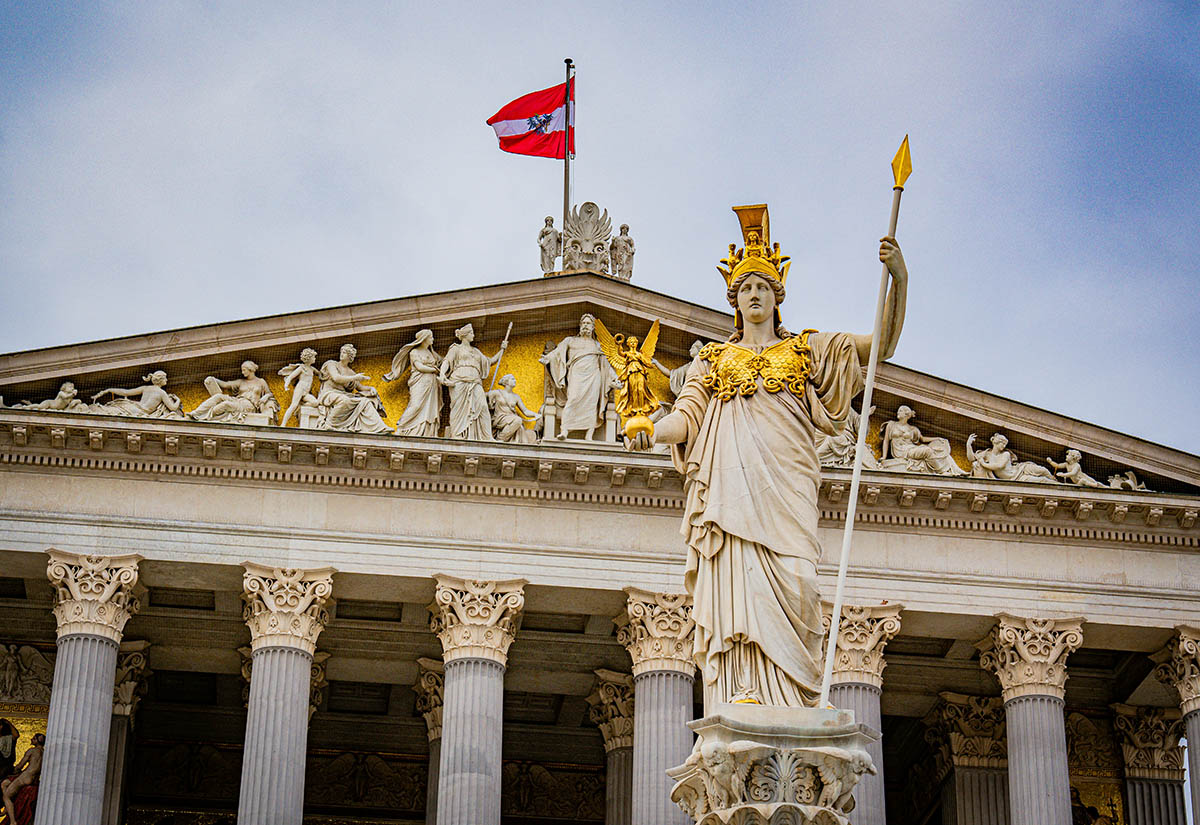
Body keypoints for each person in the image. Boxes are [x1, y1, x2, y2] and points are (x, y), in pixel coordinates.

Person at [629, 209, 908, 708]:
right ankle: (744, 691)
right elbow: (687, 418)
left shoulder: (808, 351)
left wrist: (899, 278)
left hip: (788, 490)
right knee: (739, 591)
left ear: (778, 297)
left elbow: (881, 344)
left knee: (800, 582)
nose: (753, 294)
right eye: (745, 288)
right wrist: (651, 427)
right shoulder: (712, 361)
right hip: (732, 496)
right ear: (734, 302)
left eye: (762, 287)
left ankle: (795, 700)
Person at [539, 314, 618, 440]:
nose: (586, 326)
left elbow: (606, 365)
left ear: (592, 327)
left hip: (594, 376)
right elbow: (557, 353)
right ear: (580, 326)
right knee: (573, 399)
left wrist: (614, 379)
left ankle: (589, 435)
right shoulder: (570, 341)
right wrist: (547, 358)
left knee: (592, 404)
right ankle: (564, 430)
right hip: (576, 375)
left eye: (588, 324)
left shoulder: (598, 345)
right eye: (584, 323)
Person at [439, 324, 505, 441]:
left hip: (475, 381)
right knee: (458, 408)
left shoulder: (476, 351)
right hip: (459, 381)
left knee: (483, 406)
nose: (473, 336)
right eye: (472, 333)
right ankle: (457, 434)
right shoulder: (456, 349)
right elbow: (447, 362)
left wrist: (501, 349)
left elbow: (490, 361)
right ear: (465, 335)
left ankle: (486, 437)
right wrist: (442, 374)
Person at [315, 344, 390, 434]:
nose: (341, 354)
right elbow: (336, 378)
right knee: (344, 400)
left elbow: (361, 388)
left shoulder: (351, 372)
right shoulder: (331, 364)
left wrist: (371, 388)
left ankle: (380, 428)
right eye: (342, 352)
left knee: (365, 402)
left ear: (350, 357)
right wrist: (355, 377)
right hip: (329, 394)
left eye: (345, 353)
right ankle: (329, 424)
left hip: (343, 395)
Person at [384, 330, 443, 437]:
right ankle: (402, 427)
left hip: (432, 383)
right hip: (420, 382)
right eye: (431, 337)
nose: (433, 339)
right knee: (416, 405)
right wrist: (434, 370)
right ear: (424, 339)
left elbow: (444, 361)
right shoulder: (414, 352)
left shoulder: (432, 353)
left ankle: (427, 431)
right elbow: (419, 367)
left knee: (430, 407)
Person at [879, 405, 964, 475]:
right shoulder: (891, 424)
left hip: (910, 449)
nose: (898, 412)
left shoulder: (912, 429)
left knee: (935, 450)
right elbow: (886, 441)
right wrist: (884, 456)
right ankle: (942, 471)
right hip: (901, 452)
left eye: (900, 410)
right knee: (927, 450)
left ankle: (950, 470)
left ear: (906, 414)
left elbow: (922, 439)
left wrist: (937, 438)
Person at [189, 361, 279, 424]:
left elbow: (269, 393)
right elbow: (225, 384)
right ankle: (196, 413)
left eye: (244, 370)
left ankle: (205, 417)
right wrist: (213, 379)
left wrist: (265, 397)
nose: (242, 372)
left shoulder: (261, 381)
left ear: (250, 369)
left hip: (248, 406)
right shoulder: (241, 382)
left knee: (226, 404)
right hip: (237, 401)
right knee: (218, 397)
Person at [89, 371, 185, 419]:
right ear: (161, 380)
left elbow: (126, 392)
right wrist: (178, 400)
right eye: (165, 378)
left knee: (109, 411)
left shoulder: (145, 388)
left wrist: (109, 390)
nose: (167, 380)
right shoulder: (162, 393)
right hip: (141, 413)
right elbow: (172, 408)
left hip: (132, 407)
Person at [967, 433, 1057, 483]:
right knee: (1042, 480)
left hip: (1020, 470)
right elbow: (971, 458)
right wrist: (968, 445)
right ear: (996, 442)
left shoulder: (1006, 454)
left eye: (1005, 444)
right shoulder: (986, 454)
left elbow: (999, 466)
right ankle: (1057, 485)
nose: (1004, 445)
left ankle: (1055, 480)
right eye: (1003, 443)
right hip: (1018, 479)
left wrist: (983, 463)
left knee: (1043, 470)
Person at [1, 732, 42, 825]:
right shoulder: (44, 753)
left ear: (36, 740)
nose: (31, 739)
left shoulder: (32, 751)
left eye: (33, 738)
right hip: (34, 778)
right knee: (5, 783)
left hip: (25, 777)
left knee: (6, 796)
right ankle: (6, 810)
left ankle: (12, 821)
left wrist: (14, 770)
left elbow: (20, 765)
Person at [278, 349, 320, 427]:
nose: (315, 359)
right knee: (293, 405)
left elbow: (321, 374)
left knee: (315, 403)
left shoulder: (312, 369)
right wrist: (286, 385)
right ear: (309, 358)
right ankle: (283, 424)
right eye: (314, 357)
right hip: (300, 389)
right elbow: (291, 377)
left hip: (306, 392)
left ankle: (301, 407)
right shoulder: (301, 368)